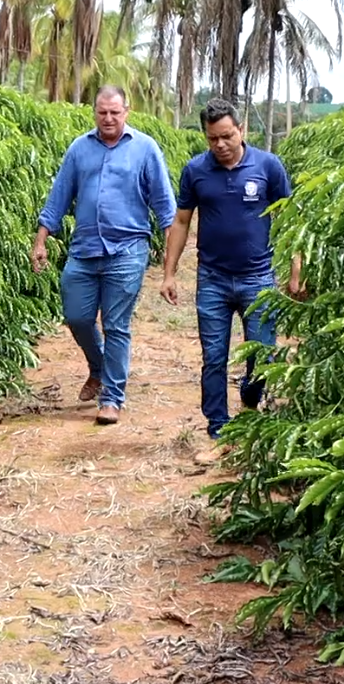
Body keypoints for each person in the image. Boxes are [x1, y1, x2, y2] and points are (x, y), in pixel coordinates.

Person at [161, 97, 305, 465]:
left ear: (243, 130)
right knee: (213, 358)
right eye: (213, 139)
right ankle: (219, 432)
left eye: (227, 136)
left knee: (261, 355)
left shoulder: (268, 167)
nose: (221, 145)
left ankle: (251, 413)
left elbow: (289, 220)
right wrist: (169, 272)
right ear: (205, 137)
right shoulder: (195, 171)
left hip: (258, 277)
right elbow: (181, 222)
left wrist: (295, 271)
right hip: (212, 279)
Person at [33, 86, 177, 425]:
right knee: (77, 317)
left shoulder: (144, 149)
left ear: (127, 111)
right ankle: (98, 367)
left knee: (116, 325)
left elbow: (165, 206)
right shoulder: (79, 149)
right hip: (84, 250)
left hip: (128, 250)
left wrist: (170, 266)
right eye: (102, 112)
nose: (108, 118)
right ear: (94, 112)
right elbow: (58, 197)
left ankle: (112, 397)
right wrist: (40, 240)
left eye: (115, 112)